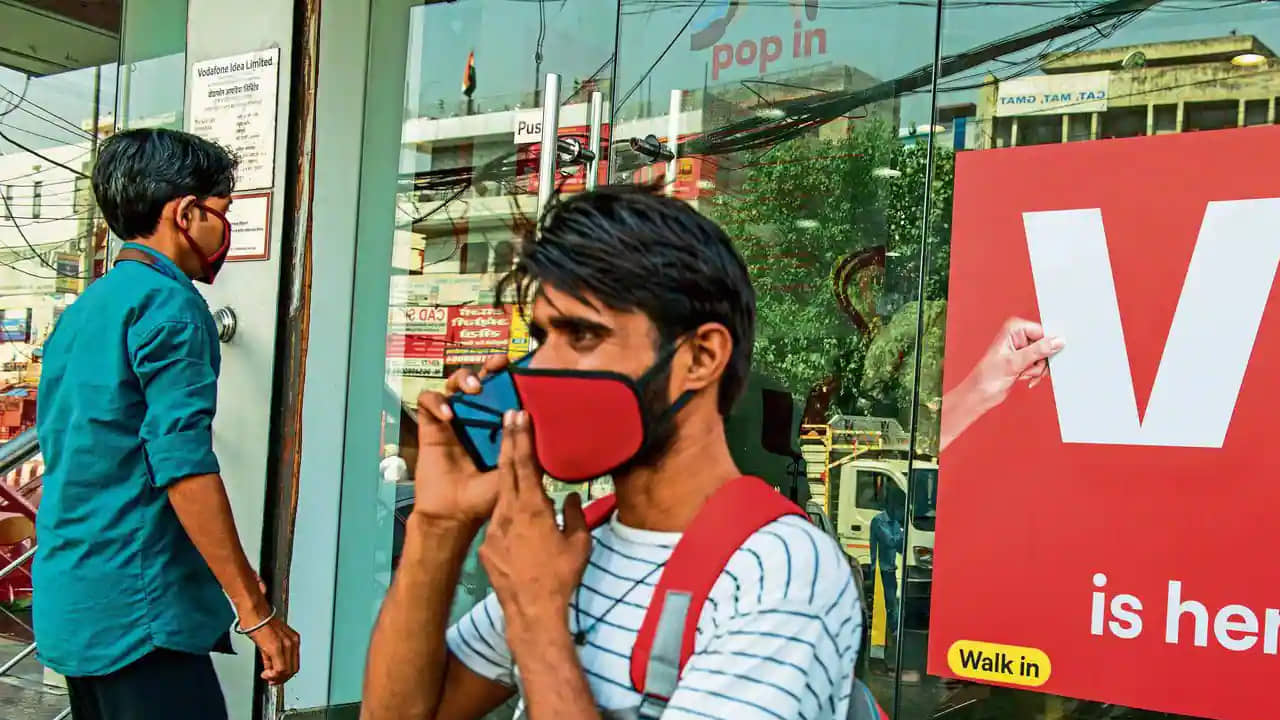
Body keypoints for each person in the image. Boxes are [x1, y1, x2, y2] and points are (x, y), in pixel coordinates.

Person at [362, 185, 861, 720]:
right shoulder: (573, 547)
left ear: (701, 357)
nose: (541, 367)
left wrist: (537, 617)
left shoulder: (779, 573)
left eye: (581, 334)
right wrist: (440, 524)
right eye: (542, 337)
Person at [34, 128, 300, 720]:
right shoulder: (171, 306)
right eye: (222, 212)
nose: (225, 229)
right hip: (139, 612)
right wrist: (255, 611)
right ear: (186, 214)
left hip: (76, 593)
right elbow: (184, 468)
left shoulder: (87, 308)